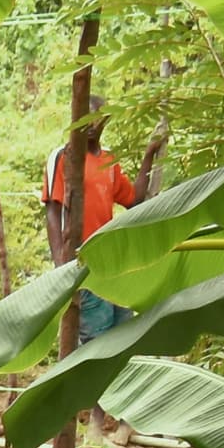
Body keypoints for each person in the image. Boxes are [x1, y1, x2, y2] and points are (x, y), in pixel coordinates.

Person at [42, 108, 156, 339]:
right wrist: (61, 265)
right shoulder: (64, 156)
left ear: (105, 121)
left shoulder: (109, 159)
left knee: (123, 333)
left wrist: (150, 154)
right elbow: (53, 211)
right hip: (82, 264)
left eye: (98, 119)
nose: (92, 125)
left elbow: (133, 200)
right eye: (87, 118)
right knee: (96, 336)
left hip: (112, 262)